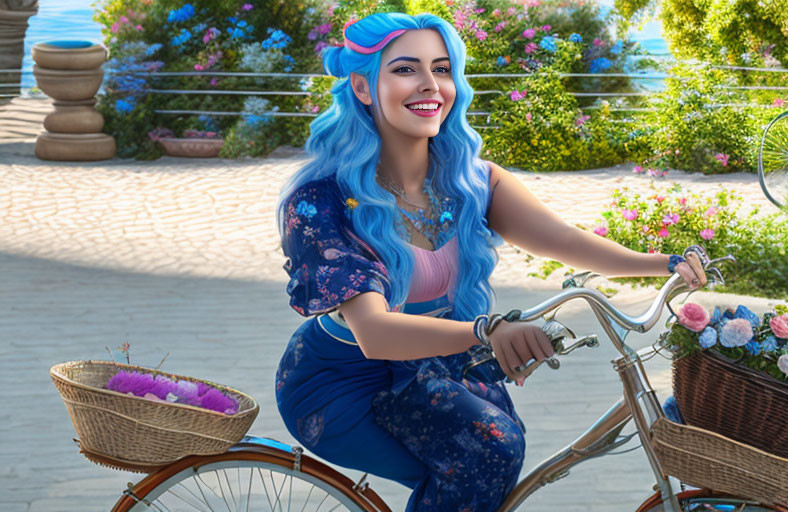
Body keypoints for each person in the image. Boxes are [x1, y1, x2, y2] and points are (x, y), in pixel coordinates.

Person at [274, 12, 708, 512]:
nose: (429, 85)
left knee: (496, 457)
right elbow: (375, 333)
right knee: (488, 453)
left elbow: (561, 240)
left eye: (442, 69)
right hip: (347, 382)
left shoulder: (468, 182)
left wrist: (662, 264)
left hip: (435, 364)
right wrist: (487, 331)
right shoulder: (319, 203)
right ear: (363, 87)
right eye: (405, 70)